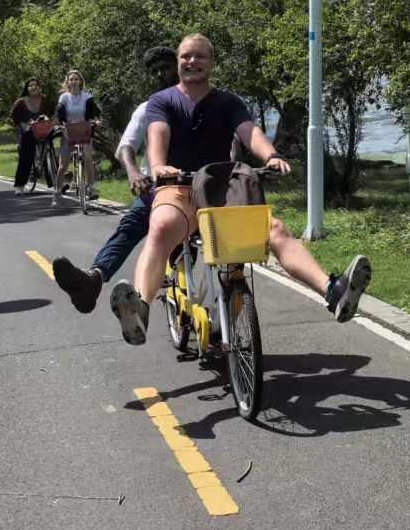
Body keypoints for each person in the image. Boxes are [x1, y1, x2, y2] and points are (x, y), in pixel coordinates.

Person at [108, 34, 372, 345]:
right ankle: (140, 309)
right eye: (186, 56)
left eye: (200, 56)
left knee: (275, 230)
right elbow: (157, 135)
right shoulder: (162, 101)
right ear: (178, 62)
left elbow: (249, 132)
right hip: (177, 186)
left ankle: (333, 292)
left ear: (211, 63)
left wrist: (271, 156)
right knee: (162, 227)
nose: (192, 62)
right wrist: (158, 165)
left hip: (222, 188)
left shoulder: (228, 101)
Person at [52, 46, 179, 313]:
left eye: (165, 68)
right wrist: (134, 173)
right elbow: (126, 146)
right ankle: (93, 280)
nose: (160, 75)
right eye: (154, 71)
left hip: (199, 186)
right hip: (157, 187)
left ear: (178, 67)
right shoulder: (147, 108)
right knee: (130, 226)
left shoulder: (202, 102)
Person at [52, 69, 101, 203]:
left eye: (76, 79)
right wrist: (60, 125)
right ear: (68, 82)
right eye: (71, 79)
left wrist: (96, 121)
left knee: (88, 158)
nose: (74, 81)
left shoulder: (87, 96)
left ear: (80, 81)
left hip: (84, 130)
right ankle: (57, 191)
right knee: (63, 164)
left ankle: (91, 188)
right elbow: (60, 114)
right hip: (68, 131)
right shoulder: (64, 97)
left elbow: (94, 113)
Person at [8, 78, 53, 193]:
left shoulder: (45, 100)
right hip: (27, 130)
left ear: (40, 87)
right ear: (27, 88)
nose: (34, 87)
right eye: (31, 85)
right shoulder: (21, 102)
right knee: (25, 156)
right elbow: (13, 117)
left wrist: (49, 119)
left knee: (50, 151)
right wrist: (23, 125)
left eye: (36, 85)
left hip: (42, 130)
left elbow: (53, 113)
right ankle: (20, 185)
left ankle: (54, 183)